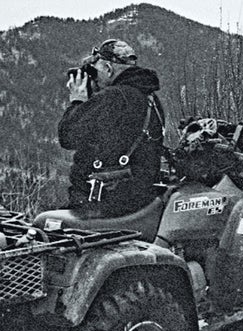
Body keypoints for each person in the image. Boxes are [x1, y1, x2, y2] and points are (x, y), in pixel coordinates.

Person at [58, 39, 165, 218]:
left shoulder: (113, 97)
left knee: (46, 223)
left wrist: (77, 100)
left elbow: (68, 136)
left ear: (108, 69)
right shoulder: (150, 98)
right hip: (139, 200)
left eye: (96, 71)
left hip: (105, 204)